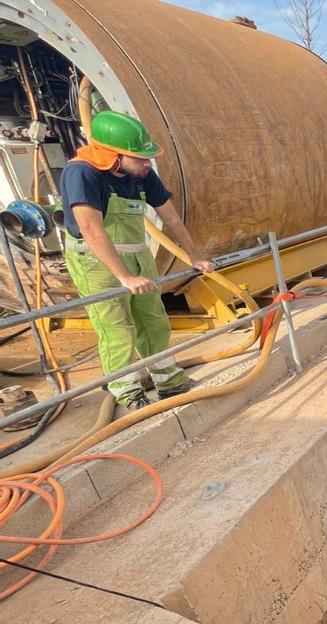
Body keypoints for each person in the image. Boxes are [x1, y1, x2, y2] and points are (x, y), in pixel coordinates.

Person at [60, 110, 213, 410]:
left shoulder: (142, 174)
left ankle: (169, 381)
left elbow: (172, 218)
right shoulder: (82, 173)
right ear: (112, 156)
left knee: (153, 320)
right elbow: (90, 229)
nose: (147, 163)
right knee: (117, 327)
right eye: (140, 157)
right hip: (96, 260)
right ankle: (127, 391)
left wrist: (196, 257)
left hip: (137, 255)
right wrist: (124, 277)